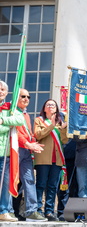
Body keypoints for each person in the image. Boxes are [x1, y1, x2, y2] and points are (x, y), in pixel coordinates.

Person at [15, 89, 47, 222]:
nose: (26, 99)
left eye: (29, 97)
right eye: (23, 96)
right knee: (10, 181)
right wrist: (28, 144)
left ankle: (31, 210)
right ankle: (7, 210)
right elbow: (16, 133)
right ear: (16, 98)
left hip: (26, 151)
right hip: (15, 149)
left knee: (29, 180)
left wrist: (33, 144)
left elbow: (28, 133)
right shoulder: (12, 112)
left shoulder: (26, 114)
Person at [33, 99, 68, 221]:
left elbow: (64, 141)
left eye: (53, 105)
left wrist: (63, 129)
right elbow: (38, 135)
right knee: (41, 184)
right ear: (44, 108)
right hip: (43, 158)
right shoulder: (39, 120)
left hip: (57, 159)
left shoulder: (60, 122)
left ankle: (49, 211)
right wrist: (51, 126)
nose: (51, 106)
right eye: (48, 105)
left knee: (53, 186)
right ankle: (37, 210)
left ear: (56, 108)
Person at [0, 80, 24, 222]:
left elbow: (20, 120)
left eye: (3, 89)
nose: (1, 91)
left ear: (7, 93)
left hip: (5, 154)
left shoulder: (10, 107)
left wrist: (3, 121)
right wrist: (7, 126)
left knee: (4, 184)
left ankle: (3, 211)